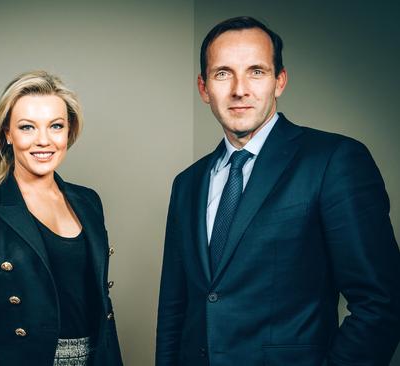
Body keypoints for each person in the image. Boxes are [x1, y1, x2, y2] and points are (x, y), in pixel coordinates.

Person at [156, 16, 400, 366]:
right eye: (223, 73)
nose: (240, 89)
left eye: (256, 71)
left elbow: (381, 303)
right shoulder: (188, 183)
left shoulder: (333, 161)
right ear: (204, 87)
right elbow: (174, 309)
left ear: (279, 81)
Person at [0, 70, 123, 366]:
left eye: (55, 126)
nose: (43, 141)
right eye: (27, 127)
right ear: (7, 133)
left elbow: (102, 309)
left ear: (69, 131)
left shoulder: (89, 201)